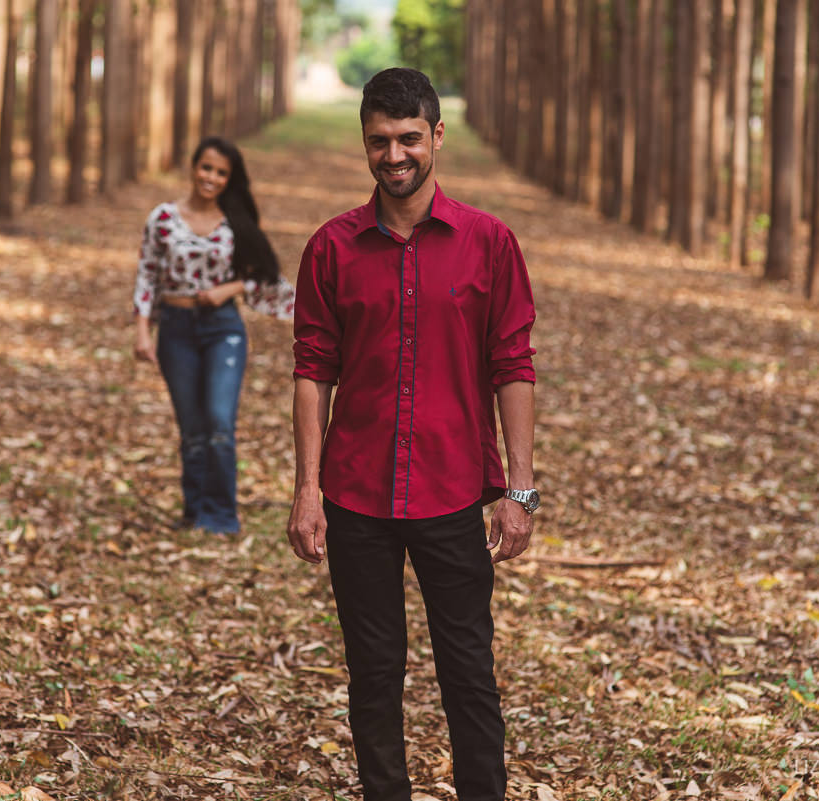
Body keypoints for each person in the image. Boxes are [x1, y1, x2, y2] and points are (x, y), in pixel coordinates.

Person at [287, 68, 539, 801]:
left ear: (436, 138)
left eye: (407, 139)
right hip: (358, 493)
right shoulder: (331, 249)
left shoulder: (489, 243)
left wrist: (518, 489)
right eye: (378, 142)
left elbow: (513, 364)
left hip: (452, 492)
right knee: (372, 670)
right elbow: (312, 368)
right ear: (363, 144)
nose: (393, 156)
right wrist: (307, 489)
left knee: (467, 668)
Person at [133, 136, 294, 535]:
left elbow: (265, 276)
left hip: (223, 328)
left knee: (219, 421)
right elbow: (147, 274)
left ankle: (221, 516)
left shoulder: (234, 221)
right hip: (176, 329)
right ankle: (194, 510)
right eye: (206, 168)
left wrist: (229, 289)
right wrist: (142, 333)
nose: (212, 177)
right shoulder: (163, 218)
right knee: (192, 427)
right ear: (193, 167)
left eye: (221, 172)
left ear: (229, 179)